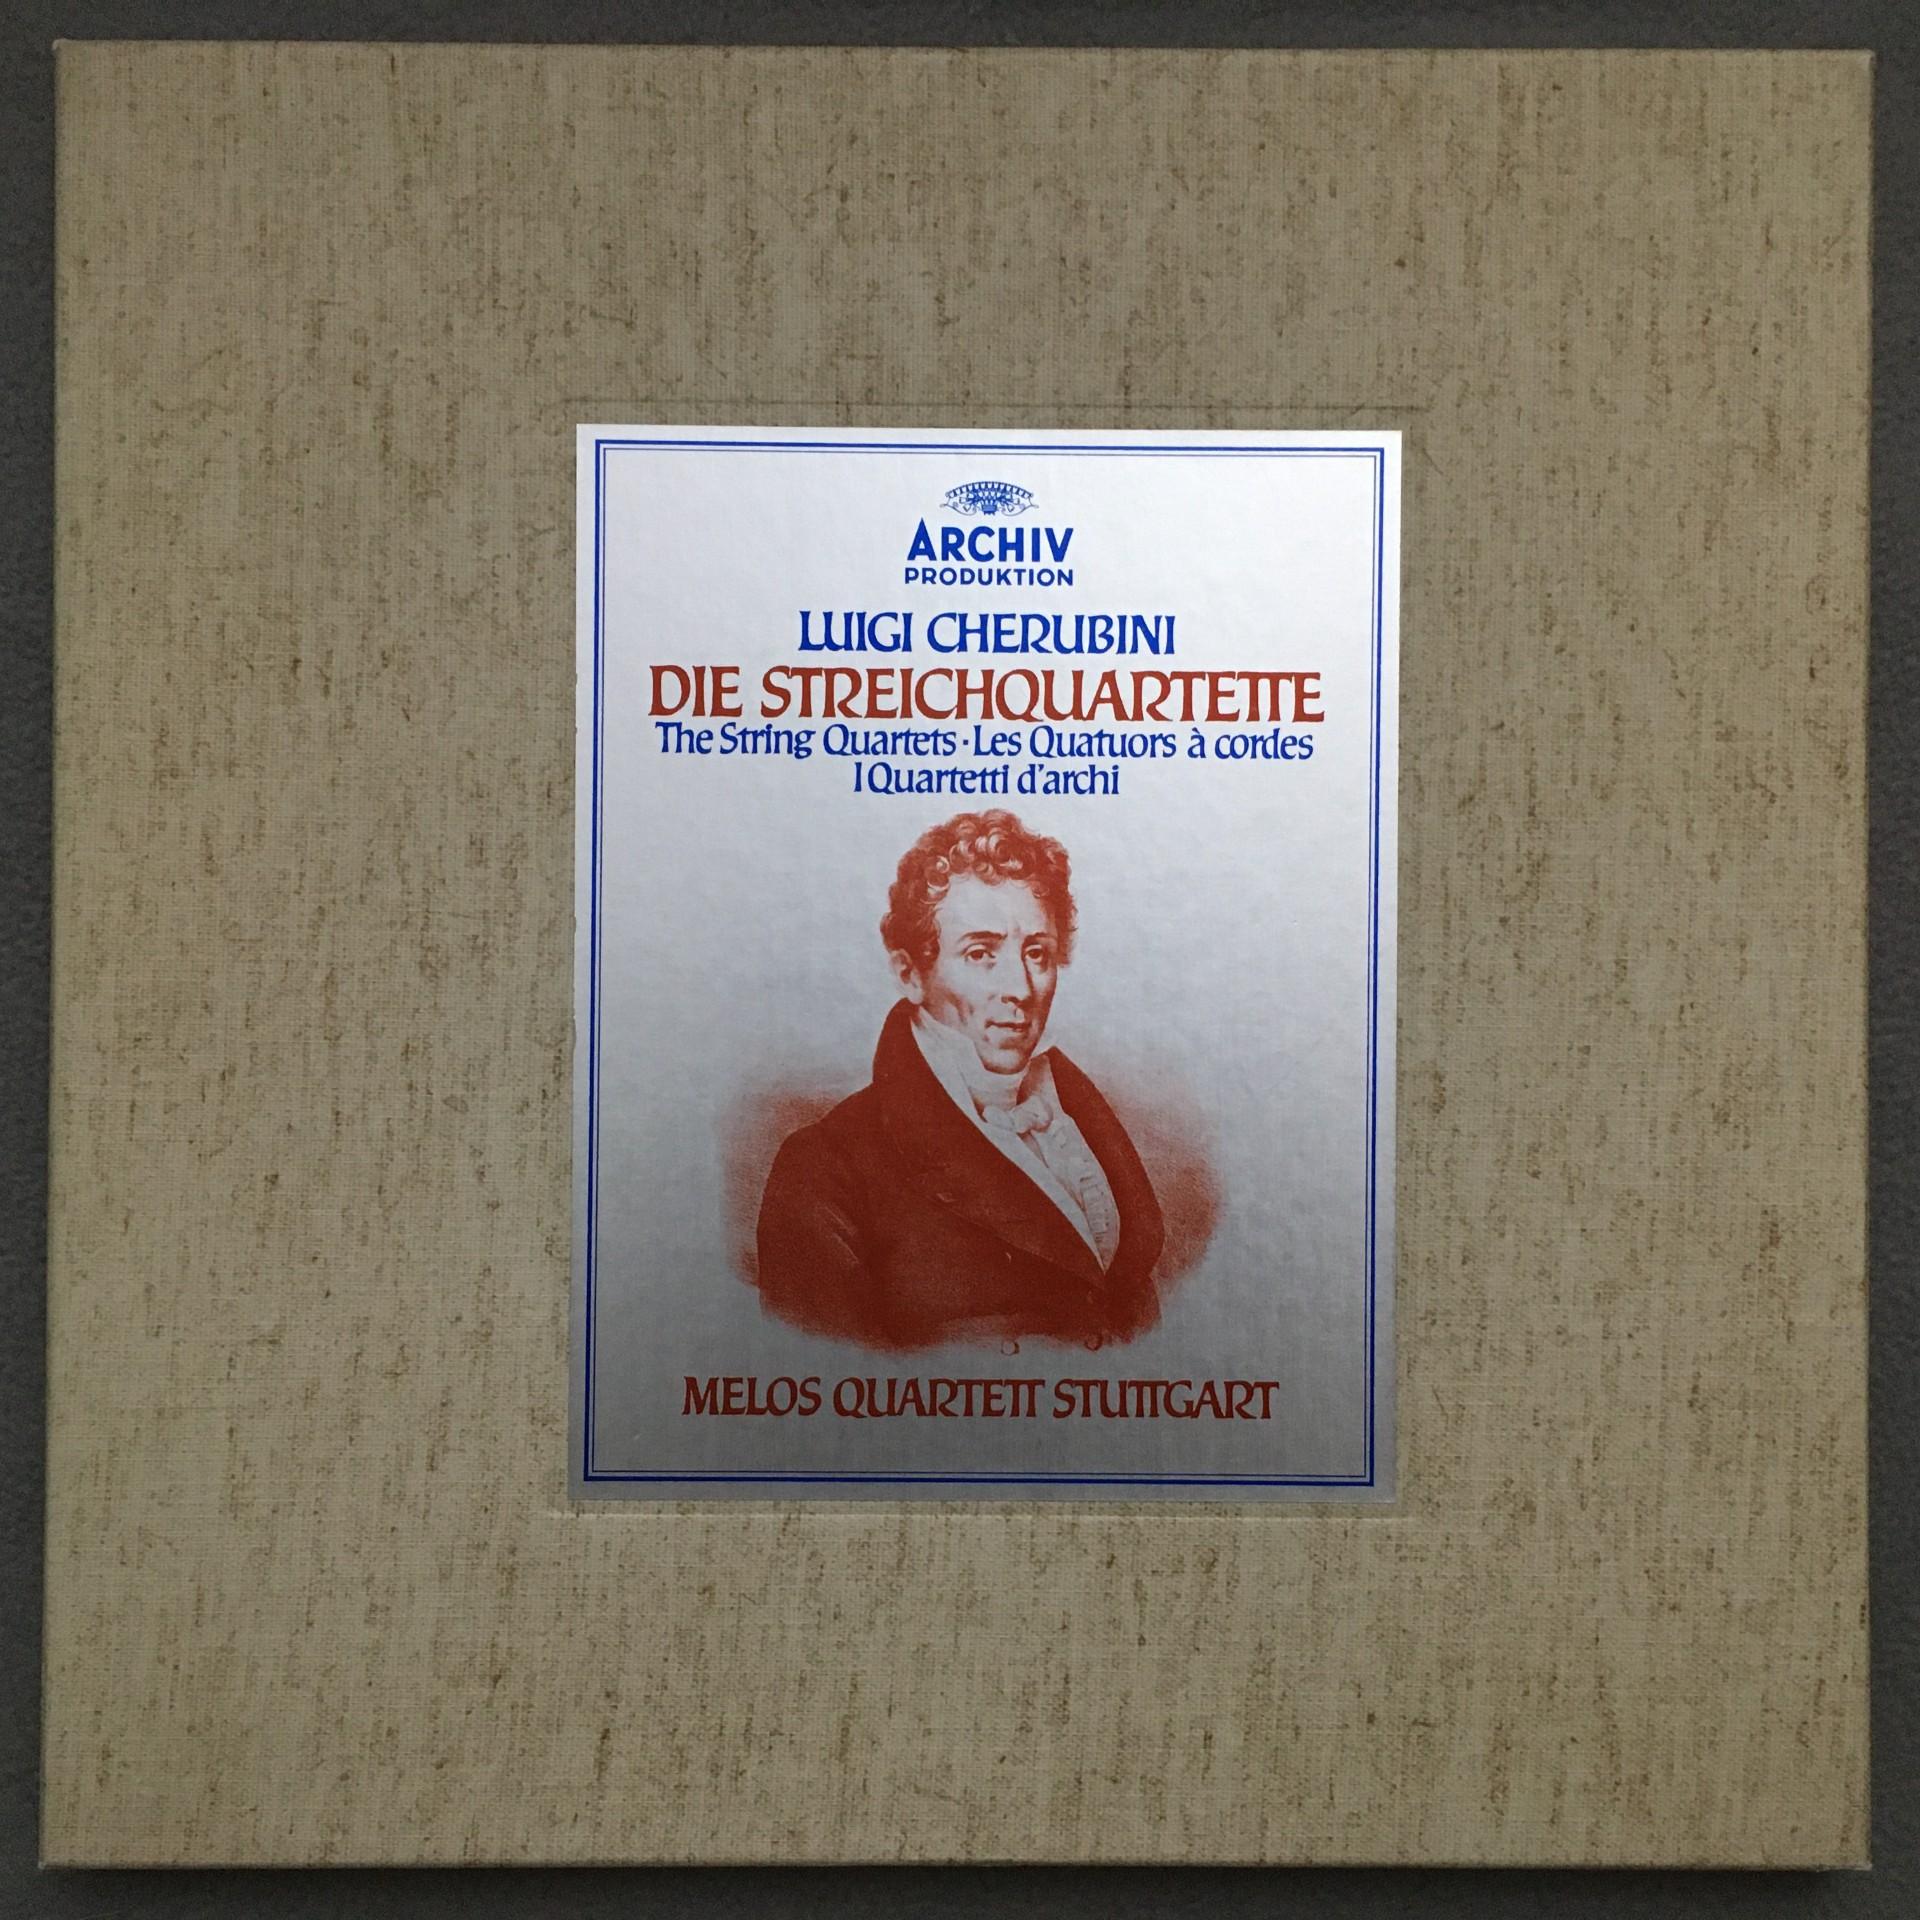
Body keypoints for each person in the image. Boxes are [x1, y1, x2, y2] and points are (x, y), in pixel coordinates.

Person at [755, 810, 1164, 1351]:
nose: (1020, 988)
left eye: (1037, 953)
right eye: (980, 953)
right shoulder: (826, 1170)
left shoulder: (1077, 1124)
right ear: (911, 974)